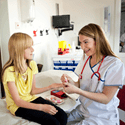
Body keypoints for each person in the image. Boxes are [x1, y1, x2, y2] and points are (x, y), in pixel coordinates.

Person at [61, 23, 125, 125]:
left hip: (102, 117)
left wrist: (78, 91)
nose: (82, 47)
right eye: (81, 42)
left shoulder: (114, 64)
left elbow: (106, 98)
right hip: (83, 110)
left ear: (98, 40)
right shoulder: (86, 58)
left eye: (86, 42)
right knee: (58, 120)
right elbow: (81, 83)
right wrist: (71, 82)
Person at [1, 33, 67, 125]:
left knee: (62, 116)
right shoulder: (9, 71)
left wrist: (51, 86)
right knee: (53, 122)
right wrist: (42, 107)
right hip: (18, 106)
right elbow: (18, 101)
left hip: (31, 98)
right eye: (28, 47)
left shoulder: (32, 65)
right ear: (19, 49)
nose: (33, 49)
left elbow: (33, 91)